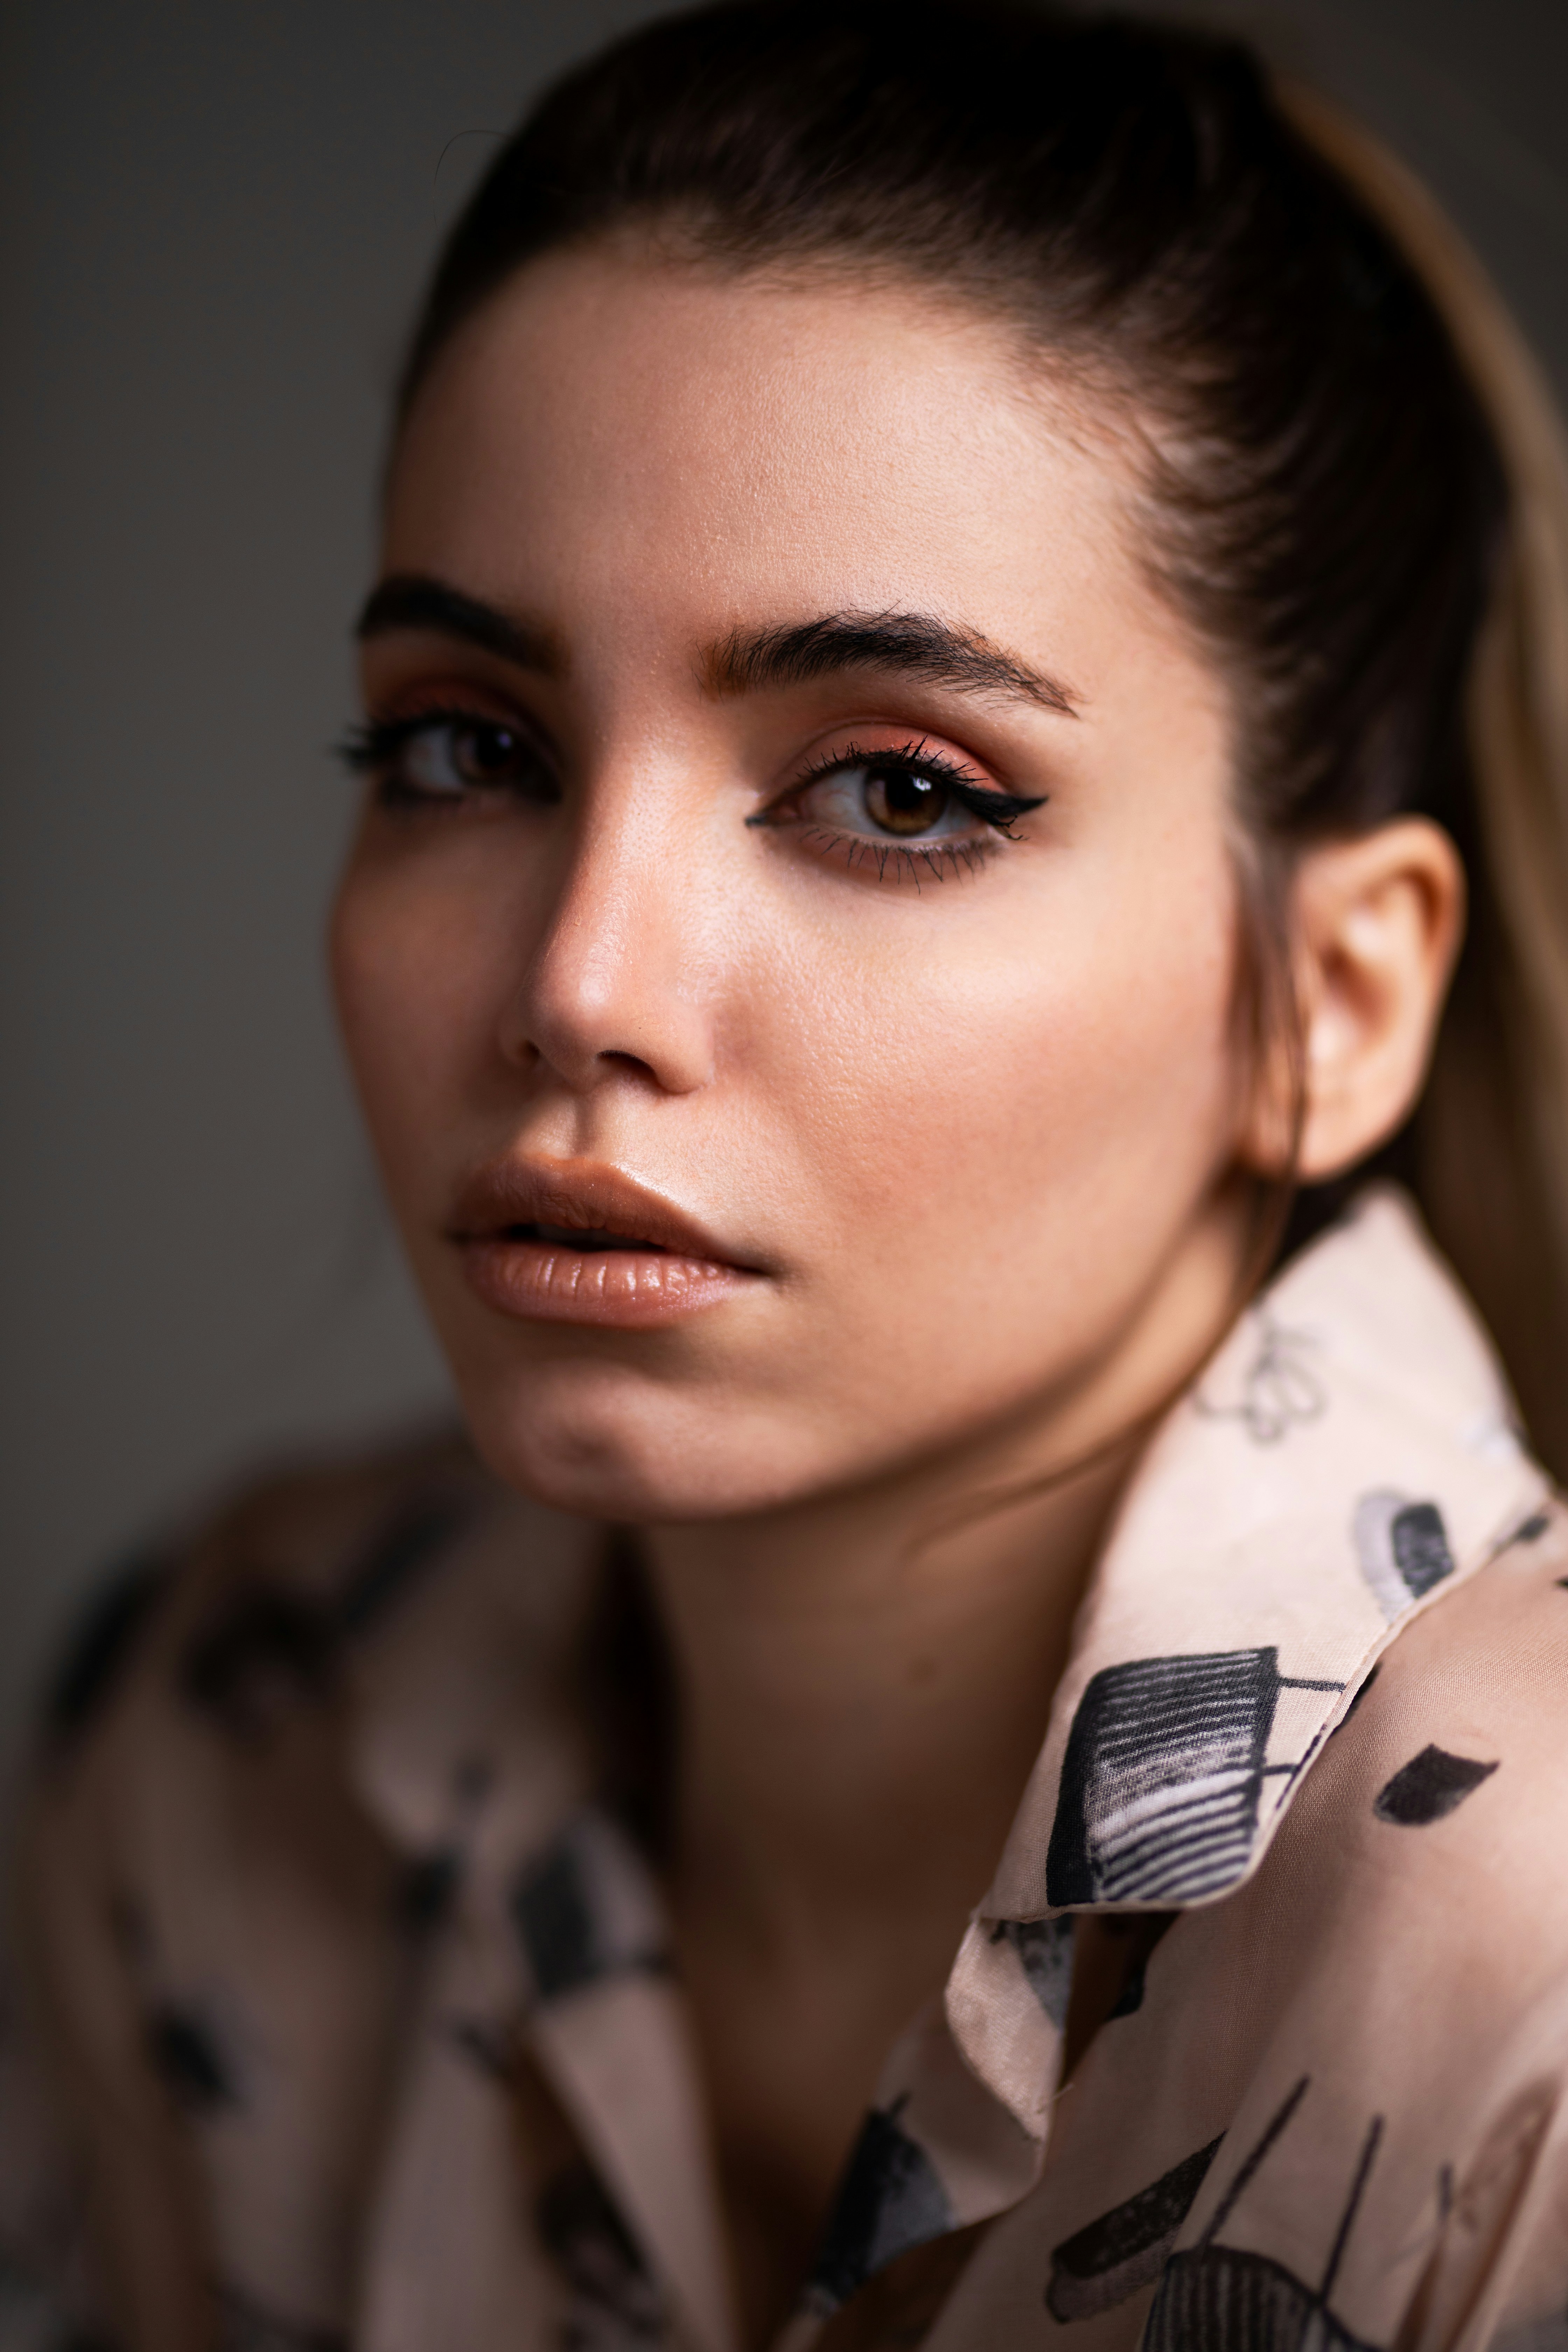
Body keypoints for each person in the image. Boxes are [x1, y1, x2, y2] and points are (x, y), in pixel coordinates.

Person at [9, 1, 1568, 2344]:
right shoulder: (226, 1730)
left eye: (903, 788)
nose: (582, 979)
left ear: (1332, 1003)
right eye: (468, 745)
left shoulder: (1534, 1981)